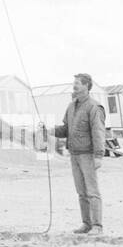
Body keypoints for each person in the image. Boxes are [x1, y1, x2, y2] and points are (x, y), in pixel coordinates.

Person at [44, 73, 107, 235]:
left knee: (92, 192)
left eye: (77, 83)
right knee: (81, 192)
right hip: (74, 155)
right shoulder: (71, 106)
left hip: (88, 155)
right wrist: (49, 130)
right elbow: (65, 130)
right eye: (74, 83)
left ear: (86, 86)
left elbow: (98, 132)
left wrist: (99, 155)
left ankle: (97, 226)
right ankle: (86, 224)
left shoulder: (94, 107)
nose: (74, 86)